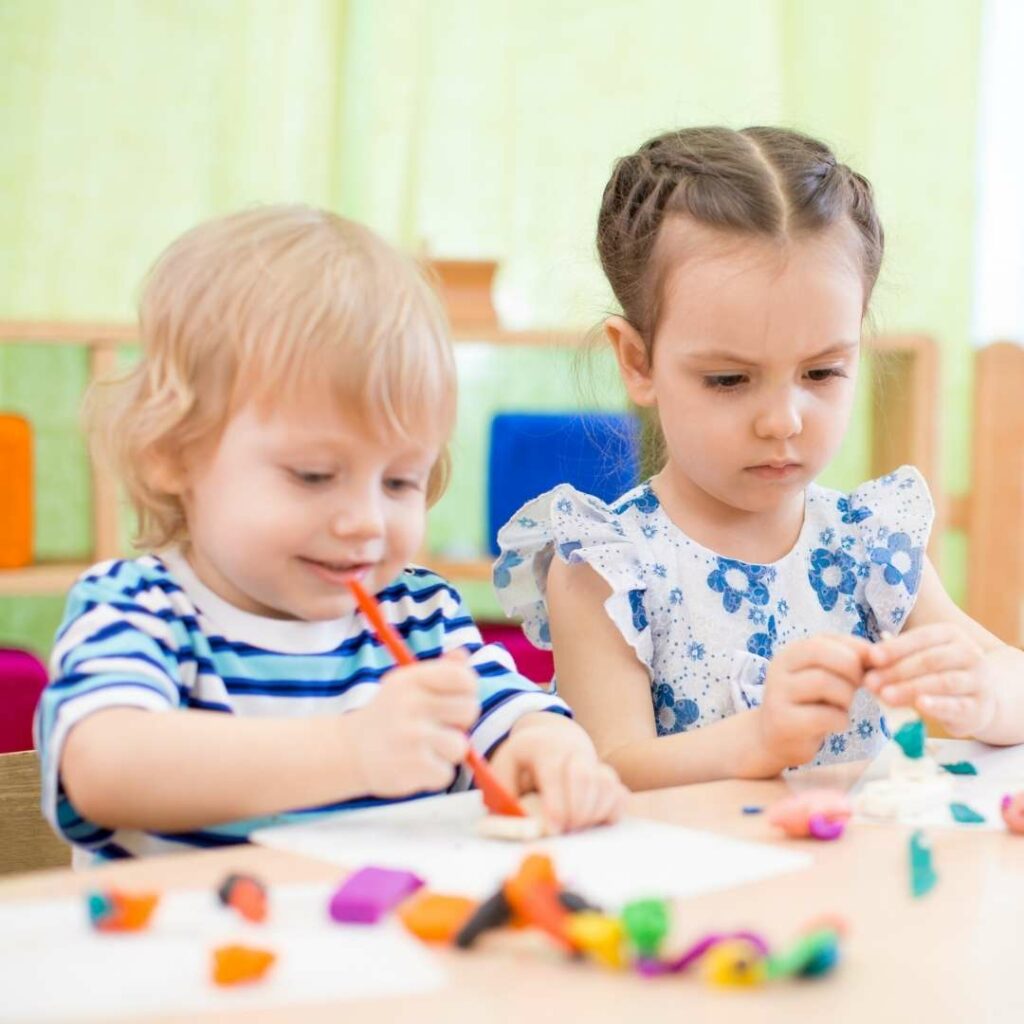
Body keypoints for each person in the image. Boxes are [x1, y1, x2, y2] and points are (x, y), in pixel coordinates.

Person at [35, 205, 626, 859]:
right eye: (315, 475)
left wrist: (555, 752)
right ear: (174, 454)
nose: (366, 521)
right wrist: (351, 751)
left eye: (400, 482)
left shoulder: (418, 617)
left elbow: (515, 717)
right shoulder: (139, 608)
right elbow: (105, 770)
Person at [495, 127, 1024, 790]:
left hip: (857, 888)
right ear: (638, 361)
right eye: (729, 379)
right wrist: (758, 739)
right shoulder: (606, 568)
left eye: (824, 372)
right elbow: (609, 767)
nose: (783, 421)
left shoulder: (869, 546)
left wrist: (989, 695)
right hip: (687, 888)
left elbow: (1012, 677)